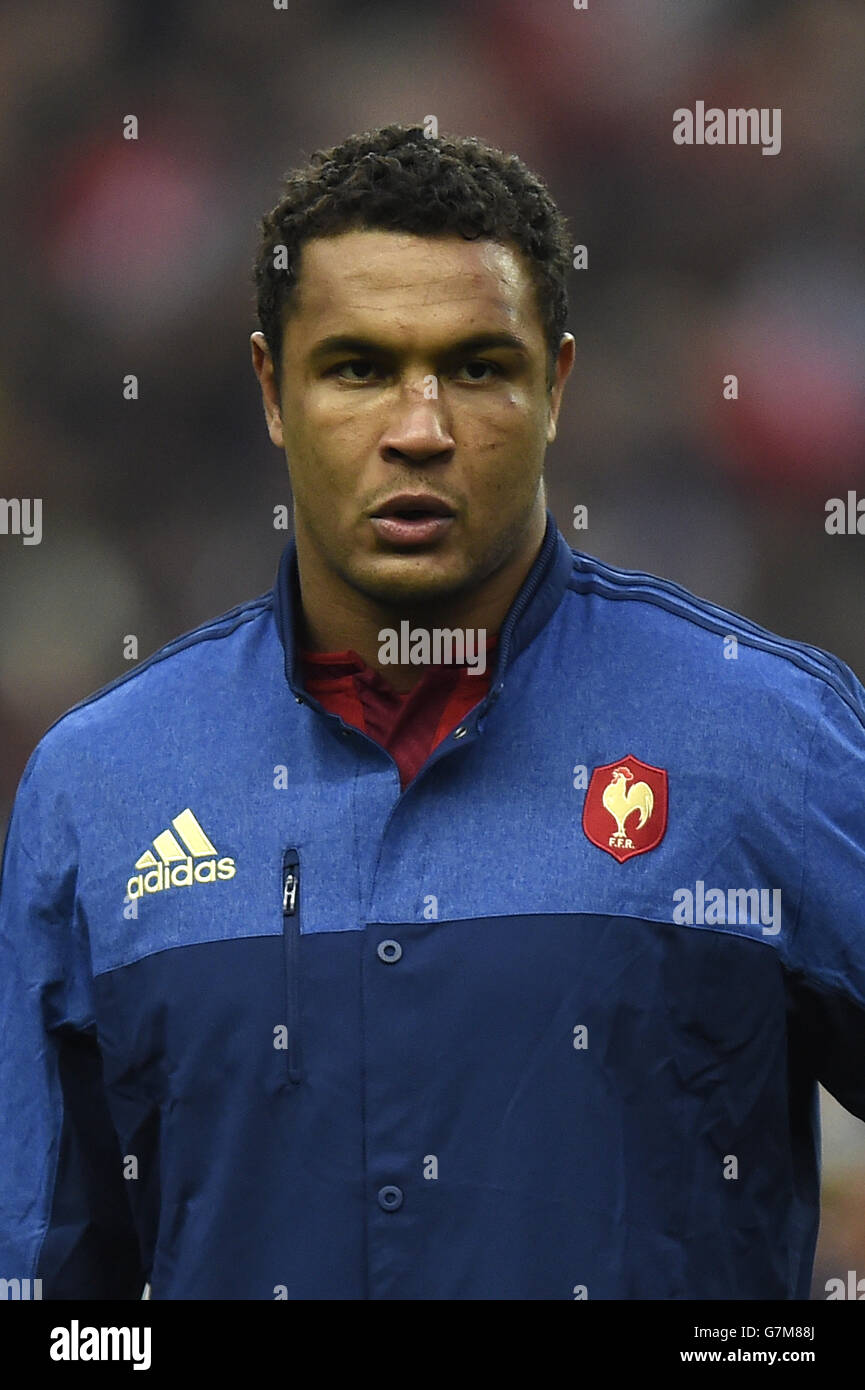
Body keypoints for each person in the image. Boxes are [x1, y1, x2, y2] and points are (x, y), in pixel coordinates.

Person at [1, 123, 864, 1301]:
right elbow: (46, 1287)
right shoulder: (101, 787)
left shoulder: (765, 738)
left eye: (476, 367)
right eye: (356, 367)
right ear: (272, 388)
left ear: (554, 385)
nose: (420, 428)